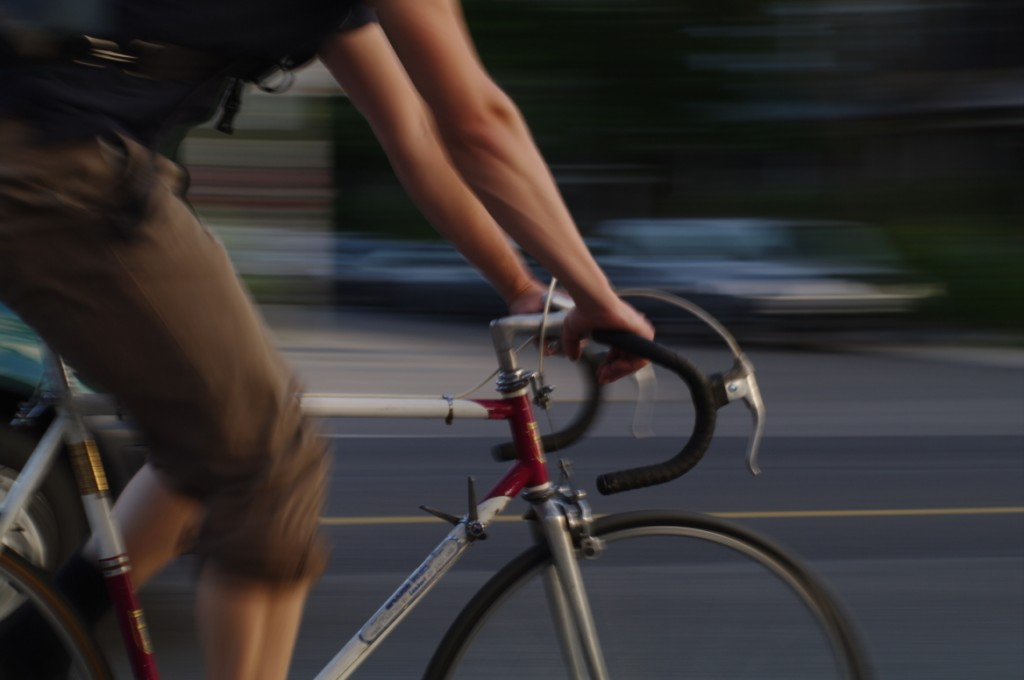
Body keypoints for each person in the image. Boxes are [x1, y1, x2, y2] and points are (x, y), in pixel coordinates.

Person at [0, 1, 653, 678]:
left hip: (80, 152)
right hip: (59, 160)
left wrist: (521, 286)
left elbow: (417, 136)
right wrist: (599, 297)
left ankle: (35, 645)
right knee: (272, 460)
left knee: (221, 427)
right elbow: (478, 122)